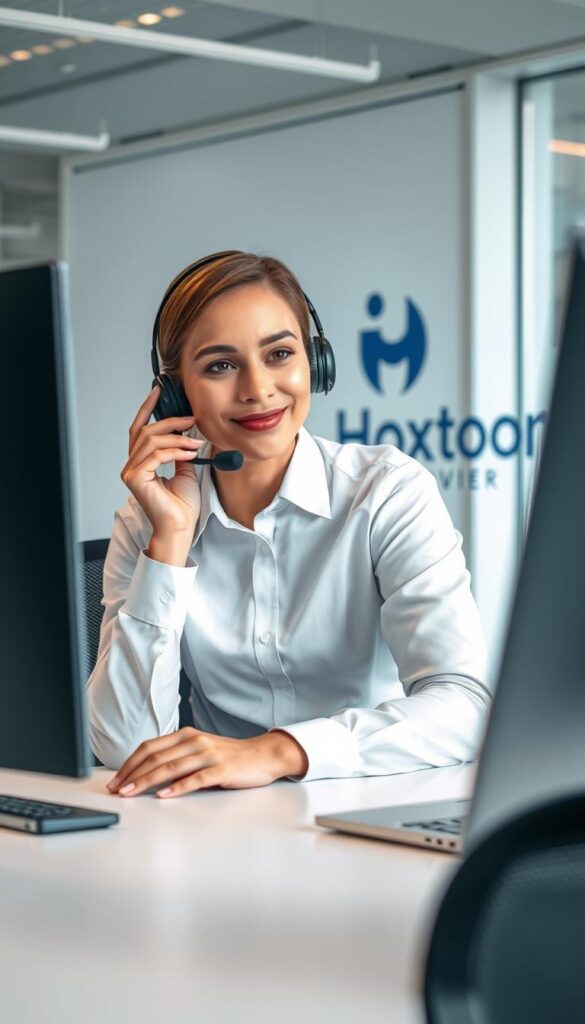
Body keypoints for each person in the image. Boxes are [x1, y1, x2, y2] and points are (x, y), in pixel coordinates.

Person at [88, 250, 491, 799]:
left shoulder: (386, 492)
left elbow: (465, 702)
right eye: (219, 365)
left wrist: (278, 751)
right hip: (219, 825)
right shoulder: (148, 522)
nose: (257, 388)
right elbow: (123, 746)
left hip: (373, 801)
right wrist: (170, 544)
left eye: (279, 353)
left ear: (315, 363)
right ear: (176, 395)